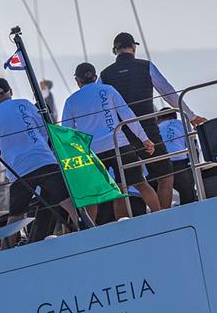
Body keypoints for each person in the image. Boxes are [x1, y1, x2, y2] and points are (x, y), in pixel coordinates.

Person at [100, 32, 206, 209]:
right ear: (133, 48)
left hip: (120, 134)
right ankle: (163, 215)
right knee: (165, 175)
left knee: (123, 184)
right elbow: (168, 93)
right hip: (148, 129)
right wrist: (191, 116)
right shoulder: (146, 66)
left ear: (115, 50)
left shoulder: (105, 75)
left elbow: (100, 105)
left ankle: (125, 222)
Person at [0, 78, 76, 248]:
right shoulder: (25, 104)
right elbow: (44, 132)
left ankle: (6, 253)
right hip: (45, 161)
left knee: (15, 217)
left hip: (20, 173)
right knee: (68, 202)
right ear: (10, 91)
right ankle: (88, 230)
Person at [61, 62, 161, 221]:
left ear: (77, 80)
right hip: (118, 144)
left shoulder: (71, 101)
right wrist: (144, 138)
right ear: (95, 77)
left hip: (92, 152)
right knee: (140, 184)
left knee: (93, 196)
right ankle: (161, 217)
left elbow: (68, 133)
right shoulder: (108, 90)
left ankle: (90, 231)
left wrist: (72, 160)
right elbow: (127, 114)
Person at [157, 109, 197, 205]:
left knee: (160, 191)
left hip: (160, 163)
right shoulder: (183, 124)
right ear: (175, 116)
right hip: (180, 163)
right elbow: (193, 147)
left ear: (158, 118)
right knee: (188, 194)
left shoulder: (156, 127)